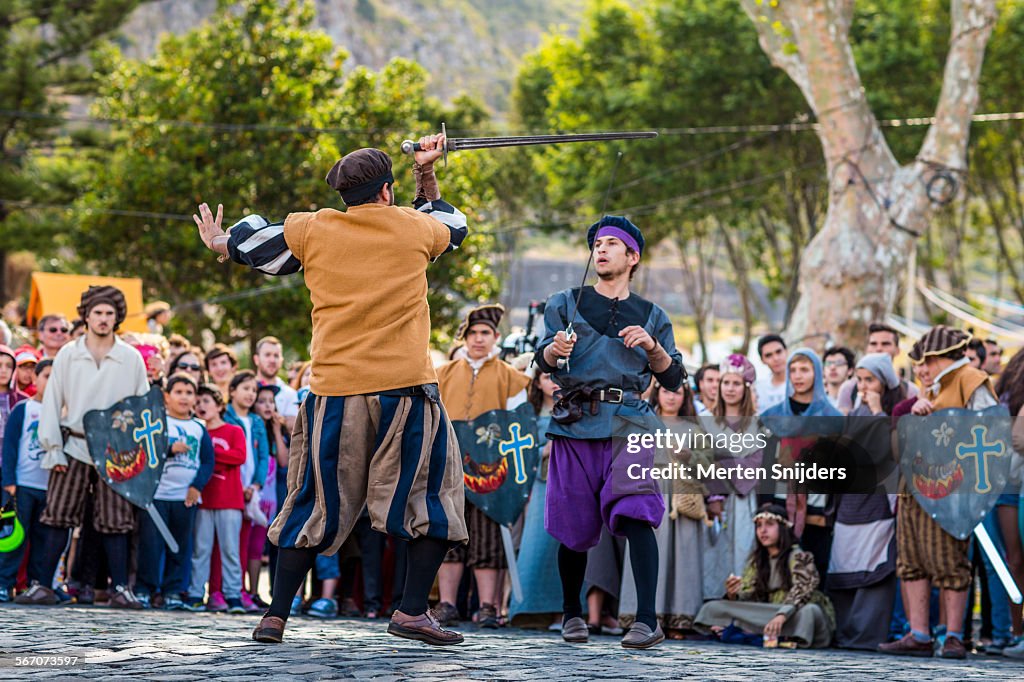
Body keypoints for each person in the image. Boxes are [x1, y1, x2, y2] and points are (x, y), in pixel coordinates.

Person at [194, 135, 470, 645]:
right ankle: (412, 612)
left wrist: (220, 241)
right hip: (404, 390)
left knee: (310, 499)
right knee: (431, 498)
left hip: (333, 392)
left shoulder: (313, 227)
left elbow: (252, 244)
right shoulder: (415, 227)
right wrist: (426, 173)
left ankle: (275, 615)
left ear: (345, 193)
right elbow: (455, 229)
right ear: (387, 191)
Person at [534, 215, 685, 649]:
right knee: (573, 522)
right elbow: (541, 362)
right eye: (596, 243)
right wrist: (552, 350)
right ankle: (571, 613)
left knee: (638, 513)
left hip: (631, 422)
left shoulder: (653, 314)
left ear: (632, 256)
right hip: (575, 422)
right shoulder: (565, 302)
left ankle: (646, 620)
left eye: (611, 244)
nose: (600, 249)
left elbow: (674, 379)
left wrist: (654, 350)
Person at [19, 286, 149, 608]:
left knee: (116, 519)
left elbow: (143, 407)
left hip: (116, 451)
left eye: (109, 313)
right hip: (73, 444)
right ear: (86, 316)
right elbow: (52, 402)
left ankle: (120, 589)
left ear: (117, 317)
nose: (103, 319)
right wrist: (53, 448)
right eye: (97, 313)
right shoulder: (68, 353)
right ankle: (43, 585)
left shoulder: (130, 358)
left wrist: (134, 452)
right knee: (58, 515)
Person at [879, 326, 997, 659]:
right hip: (914, 485)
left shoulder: (971, 380)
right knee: (912, 560)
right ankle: (919, 634)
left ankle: (955, 636)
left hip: (951, 488)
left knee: (950, 562)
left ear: (943, 357)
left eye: (926, 361)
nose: (921, 368)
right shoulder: (928, 388)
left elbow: (987, 431)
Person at [435, 304, 529, 628]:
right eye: (473, 333)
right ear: (465, 337)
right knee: (448, 536)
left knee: (488, 538)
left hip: (492, 471)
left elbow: (520, 427)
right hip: (449, 466)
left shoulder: (512, 378)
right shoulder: (443, 373)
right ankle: (447, 604)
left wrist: (515, 477)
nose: (478, 339)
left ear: (496, 337)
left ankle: (488, 606)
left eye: (485, 333)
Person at [827, 353, 903, 650]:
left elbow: (887, 452)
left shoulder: (894, 413)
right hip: (849, 501)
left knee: (874, 568)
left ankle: (868, 635)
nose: (863, 386)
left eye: (870, 380)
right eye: (859, 380)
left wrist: (877, 412)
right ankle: (845, 632)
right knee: (845, 565)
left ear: (884, 382)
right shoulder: (852, 413)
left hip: (878, 502)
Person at [619, 380, 702, 639]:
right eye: (667, 391)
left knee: (681, 557)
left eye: (677, 392)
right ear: (658, 393)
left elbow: (707, 464)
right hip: (650, 489)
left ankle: (678, 617)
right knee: (648, 549)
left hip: (681, 497)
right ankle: (640, 615)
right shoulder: (644, 423)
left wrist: (689, 456)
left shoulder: (693, 428)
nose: (671, 397)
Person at [695, 504, 835, 648]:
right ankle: (770, 636)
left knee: (810, 612)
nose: (763, 530)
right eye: (759, 526)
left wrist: (782, 615)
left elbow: (803, 590)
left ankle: (753, 632)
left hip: (793, 614)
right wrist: (733, 595)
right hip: (768, 614)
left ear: (783, 527)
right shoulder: (757, 560)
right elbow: (751, 596)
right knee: (713, 607)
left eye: (769, 524)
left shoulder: (799, 555)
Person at [761, 349, 842, 580]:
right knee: (779, 573)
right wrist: (766, 505)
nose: (798, 375)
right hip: (779, 506)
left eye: (804, 369)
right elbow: (766, 468)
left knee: (816, 572)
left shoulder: (832, 418)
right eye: (793, 370)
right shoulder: (772, 417)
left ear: (817, 373)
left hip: (817, 510)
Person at [135, 373, 214, 609]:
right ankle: (144, 589)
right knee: (150, 545)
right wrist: (168, 449)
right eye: (178, 392)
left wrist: (195, 487)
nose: (184, 397)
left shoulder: (199, 428)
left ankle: (173, 591)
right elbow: (144, 453)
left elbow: (207, 461)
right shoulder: (158, 423)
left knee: (179, 545)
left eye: (189, 393)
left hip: (185, 499)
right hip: (156, 497)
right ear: (167, 397)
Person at [702, 354, 763, 601]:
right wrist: (713, 492)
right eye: (725, 383)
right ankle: (714, 604)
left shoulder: (756, 424)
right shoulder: (706, 422)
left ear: (746, 388)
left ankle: (740, 602)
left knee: (743, 548)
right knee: (714, 551)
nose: (730, 388)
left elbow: (756, 462)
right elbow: (703, 460)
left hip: (743, 497)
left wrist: (727, 464)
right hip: (714, 499)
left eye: (736, 383)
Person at [186, 383, 247, 614]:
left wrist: (210, 455)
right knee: (201, 549)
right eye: (198, 402)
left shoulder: (233, 431)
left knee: (230, 549)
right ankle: (195, 593)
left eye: (206, 402)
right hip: (204, 499)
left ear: (219, 405)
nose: (201, 406)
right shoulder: (197, 432)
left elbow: (239, 456)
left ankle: (234, 595)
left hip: (229, 499)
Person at [509, 365, 562, 628]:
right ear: (537, 382)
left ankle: (568, 612)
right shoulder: (528, 414)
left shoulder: (575, 410)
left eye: (557, 377)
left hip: (569, 484)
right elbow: (519, 452)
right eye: (546, 377)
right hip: (540, 485)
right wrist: (545, 449)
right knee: (536, 547)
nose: (553, 382)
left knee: (566, 547)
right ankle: (530, 610)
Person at [0, 359, 52, 601]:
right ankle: (4, 582)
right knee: (14, 539)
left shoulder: (63, 414)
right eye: (46, 376)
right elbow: (9, 447)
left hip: (49, 489)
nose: (51, 383)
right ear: (36, 379)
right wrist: (9, 481)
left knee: (42, 541)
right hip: (22, 485)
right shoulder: (24, 408)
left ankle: (35, 585)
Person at [222, 370, 270, 613]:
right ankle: (224, 589)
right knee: (226, 541)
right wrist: (238, 485)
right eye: (246, 389)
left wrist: (255, 485)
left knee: (244, 541)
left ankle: (239, 589)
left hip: (251, 490)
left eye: (254, 390)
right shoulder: (225, 417)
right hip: (228, 487)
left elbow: (263, 456)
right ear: (232, 391)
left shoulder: (257, 422)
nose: (251, 394)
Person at [836, 323, 918, 414]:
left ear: (898, 350)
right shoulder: (849, 389)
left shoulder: (910, 391)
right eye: (873, 344)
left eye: (885, 344)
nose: (879, 349)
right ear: (867, 349)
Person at [253, 336, 299, 433]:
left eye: (276, 355)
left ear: (281, 360)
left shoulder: (290, 393)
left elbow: (293, 428)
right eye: (267, 355)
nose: (272, 360)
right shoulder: (247, 389)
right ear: (256, 359)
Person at [753, 334, 788, 414]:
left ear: (786, 351)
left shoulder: (800, 384)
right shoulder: (757, 389)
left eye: (778, 352)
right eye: (768, 355)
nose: (776, 358)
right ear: (762, 360)